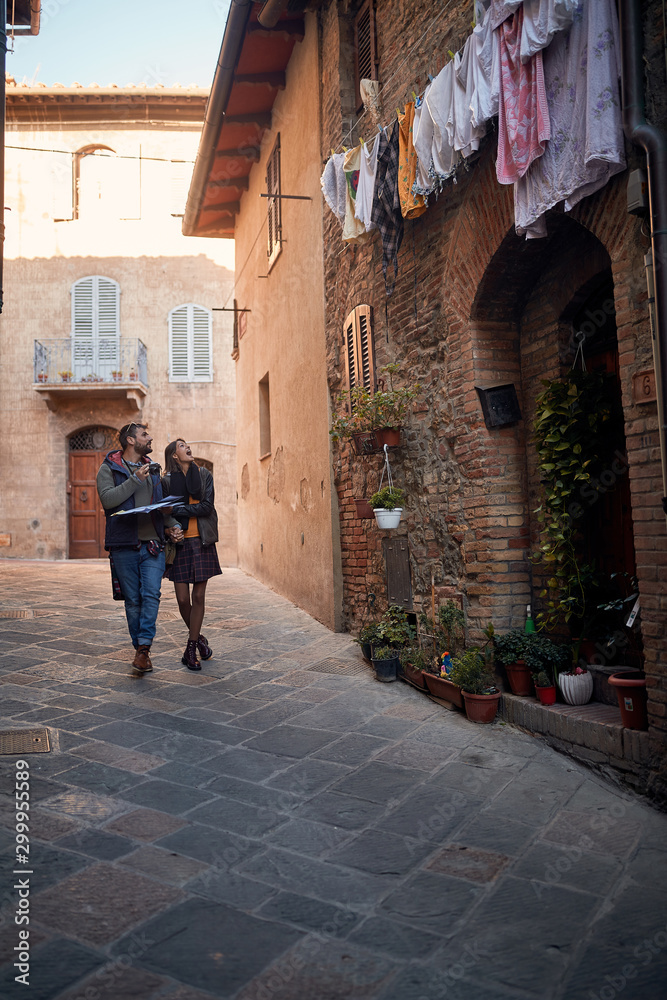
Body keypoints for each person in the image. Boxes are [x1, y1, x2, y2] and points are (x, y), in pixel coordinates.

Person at [96, 422, 184, 673]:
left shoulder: (153, 470)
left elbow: (160, 508)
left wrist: (173, 525)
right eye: (144, 435)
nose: (150, 438)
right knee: (133, 601)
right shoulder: (109, 468)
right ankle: (140, 651)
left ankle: (144, 648)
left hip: (153, 545)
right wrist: (135, 480)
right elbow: (108, 500)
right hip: (123, 545)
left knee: (151, 595)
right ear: (131, 440)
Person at [162, 439, 221, 671]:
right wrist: (171, 525)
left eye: (187, 444)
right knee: (182, 600)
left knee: (198, 597)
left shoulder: (204, 475)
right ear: (174, 455)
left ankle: (190, 648)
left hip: (202, 541)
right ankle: (200, 640)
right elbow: (164, 513)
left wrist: (178, 509)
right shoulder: (167, 481)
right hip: (179, 544)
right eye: (181, 445)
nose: (187, 447)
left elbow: (207, 507)